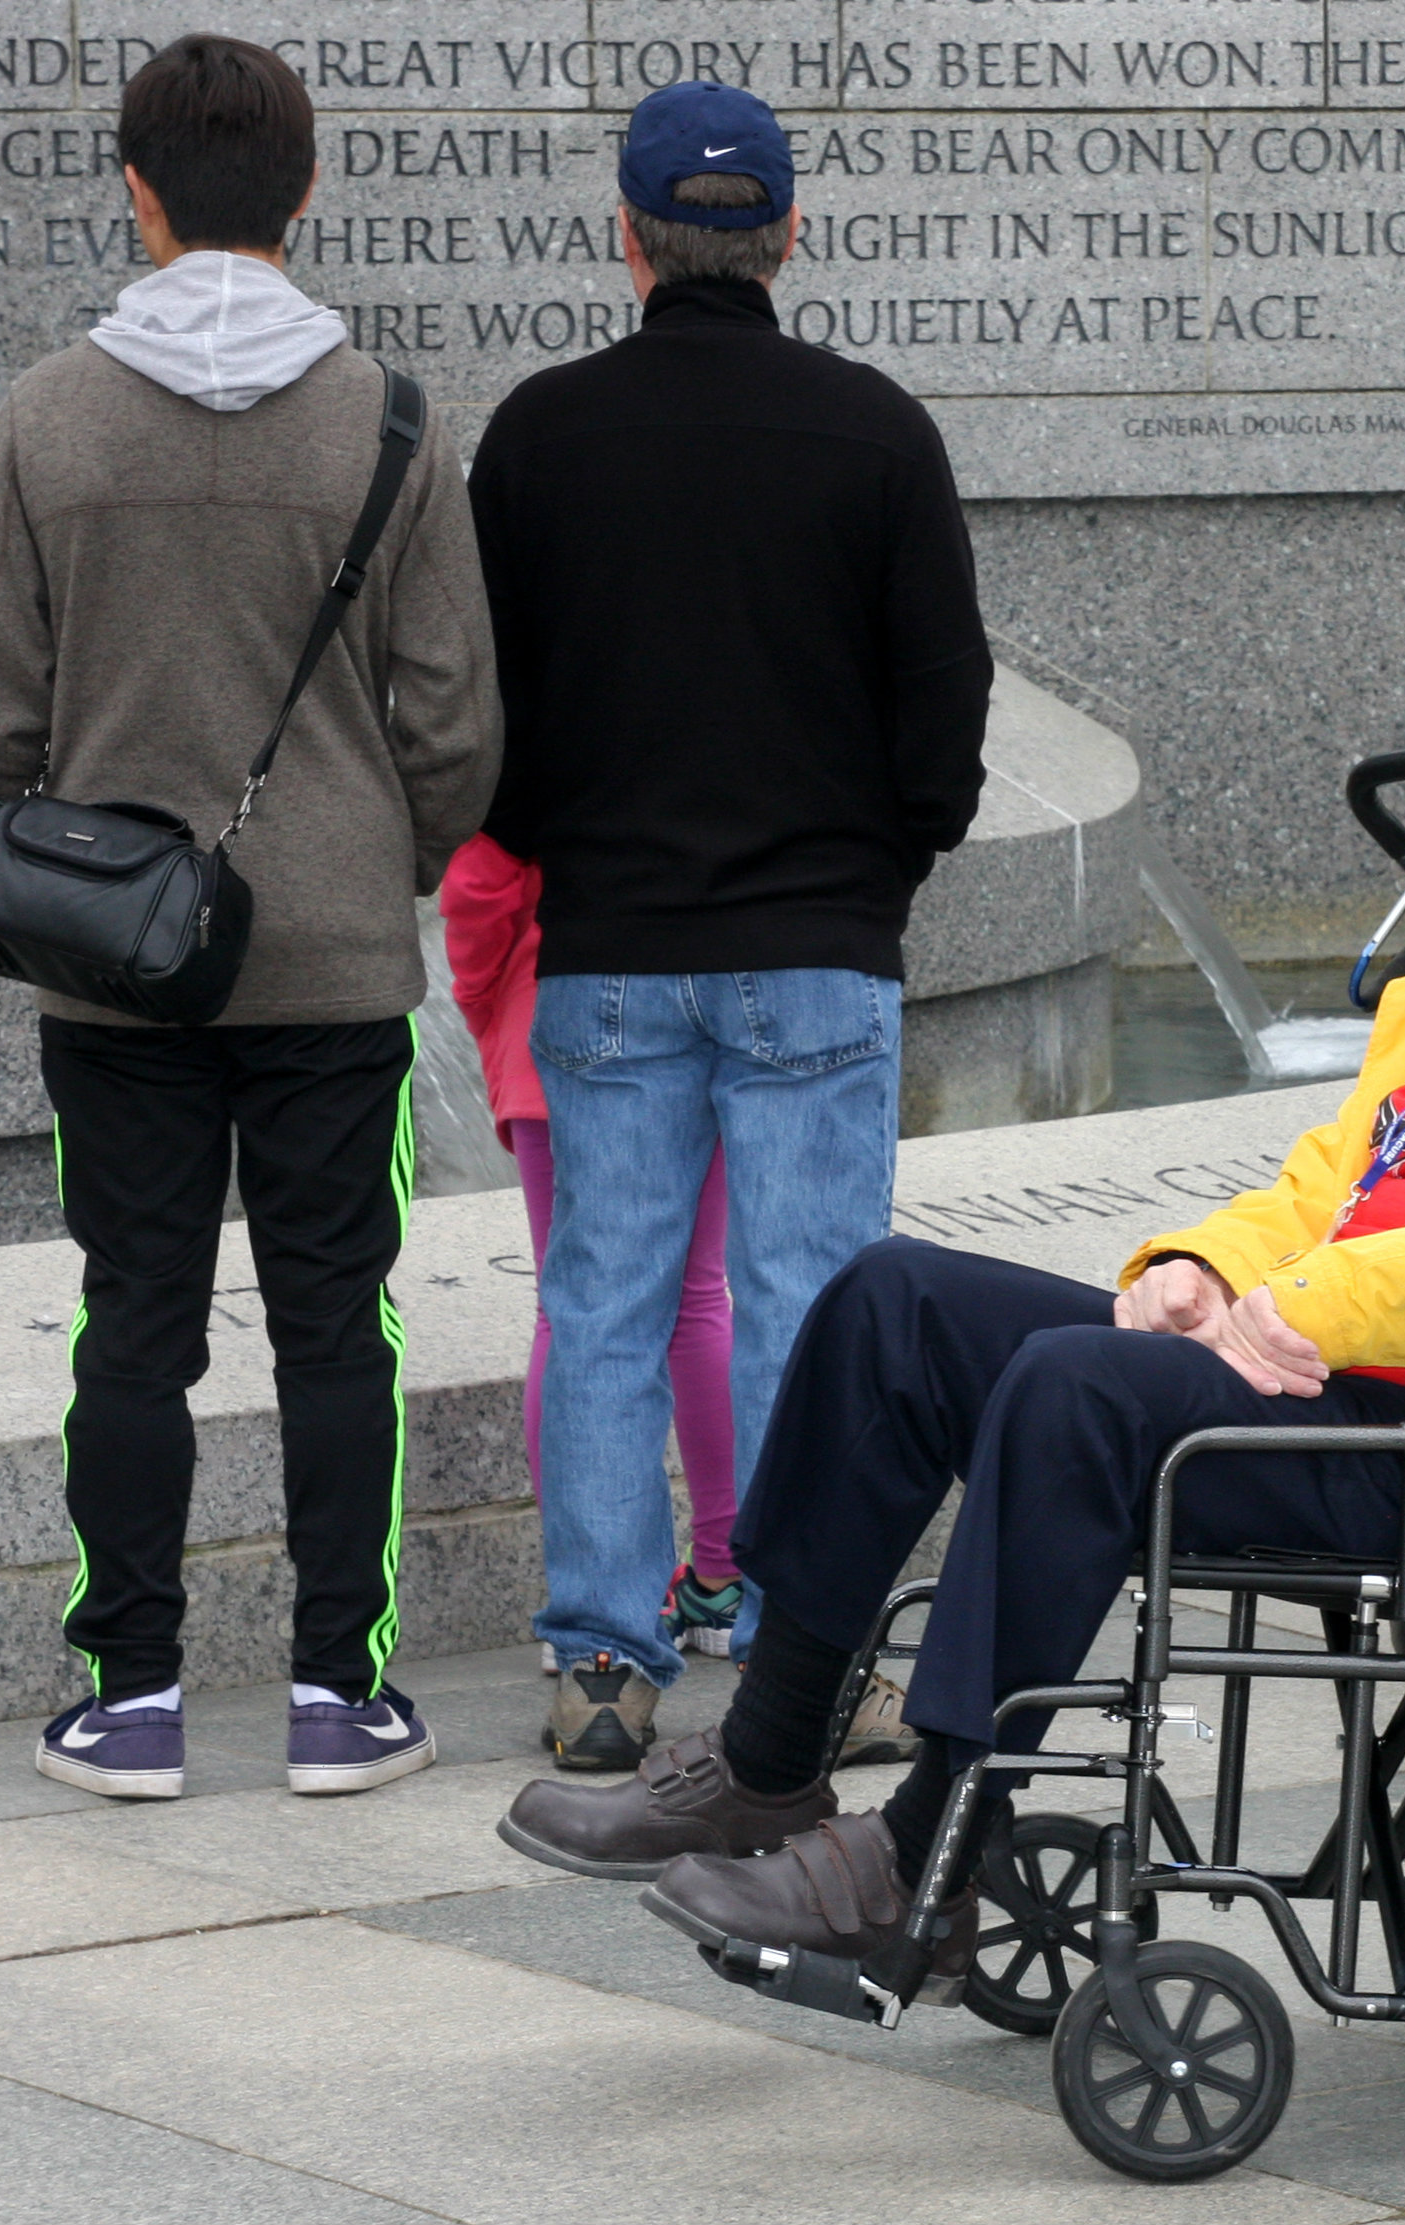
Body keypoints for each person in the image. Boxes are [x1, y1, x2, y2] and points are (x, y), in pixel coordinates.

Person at [491, 701, 1405, 1996]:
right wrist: (1198, 1268)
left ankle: (924, 1859)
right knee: (893, 1301)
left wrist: (1329, 1299)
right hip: (1328, 1379)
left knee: (1075, 1389)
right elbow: (1318, 1187)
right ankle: (767, 1766)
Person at [0, 35, 501, 1800]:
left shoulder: (45, 418)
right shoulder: (393, 419)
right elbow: (453, 719)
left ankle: (132, 1692)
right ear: (307, 191)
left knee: (133, 1323)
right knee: (343, 1322)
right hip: (334, 957)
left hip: (114, 968)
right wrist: (376, 856)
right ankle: (342, 1690)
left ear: (136, 188)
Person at [469, 80, 991, 1773]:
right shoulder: (878, 430)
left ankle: (604, 1668)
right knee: (813, 1310)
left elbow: (496, 723)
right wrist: (882, 870)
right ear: (786, 235)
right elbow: (942, 710)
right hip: (821, 944)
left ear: (626, 240)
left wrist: (566, 846)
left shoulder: (541, 433)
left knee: (606, 1300)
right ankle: (800, 1650)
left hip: (614, 943)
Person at [438, 833, 743, 1666]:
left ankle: (599, 1597)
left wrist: (484, 1000)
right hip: (708, 1008)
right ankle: (721, 1578)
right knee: (696, 1299)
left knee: (572, 1315)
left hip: (551, 1013)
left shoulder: (547, 700)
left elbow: (478, 883)